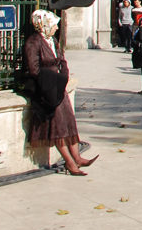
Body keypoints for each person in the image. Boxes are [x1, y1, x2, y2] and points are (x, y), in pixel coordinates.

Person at [23, 9, 97, 175]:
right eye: (53, 25)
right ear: (44, 25)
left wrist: (63, 75)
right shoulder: (33, 43)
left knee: (68, 121)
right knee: (56, 127)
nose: (56, 28)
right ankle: (70, 163)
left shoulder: (52, 40)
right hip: (47, 88)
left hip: (58, 85)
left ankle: (77, 157)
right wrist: (53, 78)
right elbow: (34, 69)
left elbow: (62, 59)